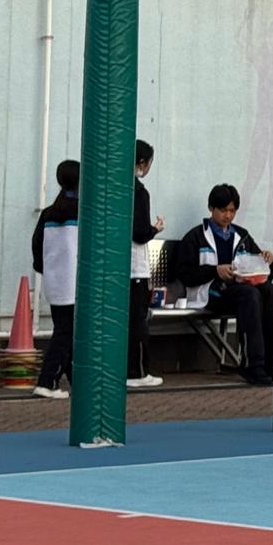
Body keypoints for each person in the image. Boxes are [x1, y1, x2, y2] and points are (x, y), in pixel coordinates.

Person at [176, 184, 273, 386]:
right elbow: (184, 274)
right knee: (250, 295)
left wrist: (267, 262)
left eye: (232, 211)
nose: (228, 216)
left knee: (270, 291)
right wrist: (215, 271)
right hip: (211, 293)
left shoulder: (242, 236)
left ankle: (270, 363)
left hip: (239, 291)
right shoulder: (196, 237)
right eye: (223, 210)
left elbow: (269, 273)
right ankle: (252, 364)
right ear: (211, 208)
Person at [32, 160, 80, 399]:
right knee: (66, 334)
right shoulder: (84, 212)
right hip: (76, 284)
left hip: (55, 283)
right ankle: (47, 381)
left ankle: (76, 380)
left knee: (66, 331)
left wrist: (48, 270)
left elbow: (36, 248)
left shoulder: (48, 213)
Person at [126, 140, 164, 389]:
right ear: (142, 163)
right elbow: (139, 233)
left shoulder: (115, 187)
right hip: (135, 267)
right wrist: (155, 229)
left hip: (115, 267)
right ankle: (137, 372)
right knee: (137, 320)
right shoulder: (139, 192)